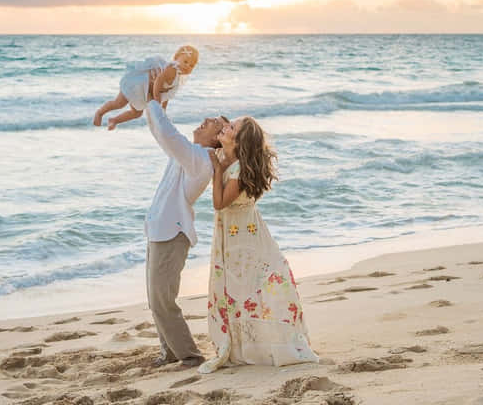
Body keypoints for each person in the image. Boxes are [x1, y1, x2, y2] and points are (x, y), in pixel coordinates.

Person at [199, 116, 319, 374]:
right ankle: (246, 345)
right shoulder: (230, 160)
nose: (226, 127)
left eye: (232, 127)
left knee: (251, 285)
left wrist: (218, 170)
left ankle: (265, 343)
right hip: (236, 235)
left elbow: (219, 203)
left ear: (240, 140)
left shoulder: (238, 169)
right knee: (240, 287)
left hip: (243, 237)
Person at [143, 93, 228, 368]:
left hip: (171, 235)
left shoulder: (202, 157)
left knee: (162, 301)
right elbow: (161, 134)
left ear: (217, 139)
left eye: (214, 122)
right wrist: (156, 105)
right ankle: (169, 352)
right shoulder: (191, 155)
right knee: (156, 299)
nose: (206, 120)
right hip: (160, 232)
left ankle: (190, 357)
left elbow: (169, 136)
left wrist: (154, 100)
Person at [94, 45, 198, 130]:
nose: (187, 66)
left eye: (191, 65)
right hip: (137, 83)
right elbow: (158, 81)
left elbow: (166, 95)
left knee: (137, 113)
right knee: (119, 103)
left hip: (144, 90)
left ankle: (114, 120)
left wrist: (163, 111)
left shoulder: (177, 78)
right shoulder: (172, 69)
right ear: (176, 58)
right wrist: (157, 102)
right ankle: (100, 113)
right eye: (185, 62)